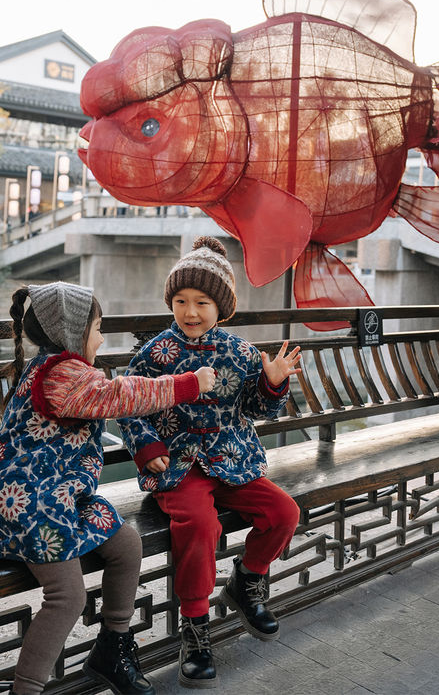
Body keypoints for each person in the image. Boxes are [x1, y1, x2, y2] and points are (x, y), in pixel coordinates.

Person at [0, 281, 216, 695]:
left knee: (126, 544)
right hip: (29, 505)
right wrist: (188, 383)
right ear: (71, 332)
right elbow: (120, 396)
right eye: (98, 328)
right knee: (66, 596)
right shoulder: (61, 375)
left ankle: (111, 647)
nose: (102, 338)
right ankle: (26, 688)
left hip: (61, 496)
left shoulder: (60, 369)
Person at [117, 237, 302, 689]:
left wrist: (273, 384)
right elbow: (128, 404)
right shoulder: (154, 352)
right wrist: (146, 448)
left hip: (233, 458)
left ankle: (247, 580)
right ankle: (196, 631)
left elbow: (258, 409)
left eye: (201, 301)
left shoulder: (240, 352)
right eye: (181, 301)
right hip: (178, 466)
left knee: (284, 512)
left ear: (222, 307)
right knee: (200, 526)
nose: (190, 311)